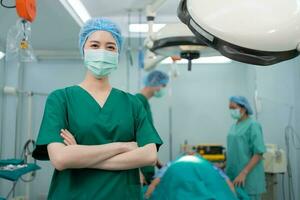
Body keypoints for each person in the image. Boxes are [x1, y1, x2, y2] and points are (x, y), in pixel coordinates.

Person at [32, 17, 163, 200]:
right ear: (83, 50)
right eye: (94, 45)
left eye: (110, 47)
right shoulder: (61, 99)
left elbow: (149, 155)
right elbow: (61, 159)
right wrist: (123, 146)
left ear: (118, 53)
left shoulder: (133, 104)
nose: (102, 52)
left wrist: (79, 155)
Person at [144, 153, 239, 200]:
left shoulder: (172, 164)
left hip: (177, 176)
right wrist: (233, 196)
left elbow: (155, 182)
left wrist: (147, 196)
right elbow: (226, 182)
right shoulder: (208, 164)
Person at [226, 96, 266, 200]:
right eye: (229, 108)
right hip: (233, 178)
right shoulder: (233, 127)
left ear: (243, 109)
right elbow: (234, 150)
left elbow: (258, 153)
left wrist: (244, 173)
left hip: (249, 179)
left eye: (233, 107)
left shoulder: (253, 125)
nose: (231, 111)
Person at [135, 70, 169, 184]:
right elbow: (132, 137)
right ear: (155, 84)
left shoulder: (144, 103)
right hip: (140, 167)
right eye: (163, 85)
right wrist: (138, 171)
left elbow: (147, 138)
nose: (163, 89)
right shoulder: (138, 101)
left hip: (147, 163)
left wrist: (159, 164)